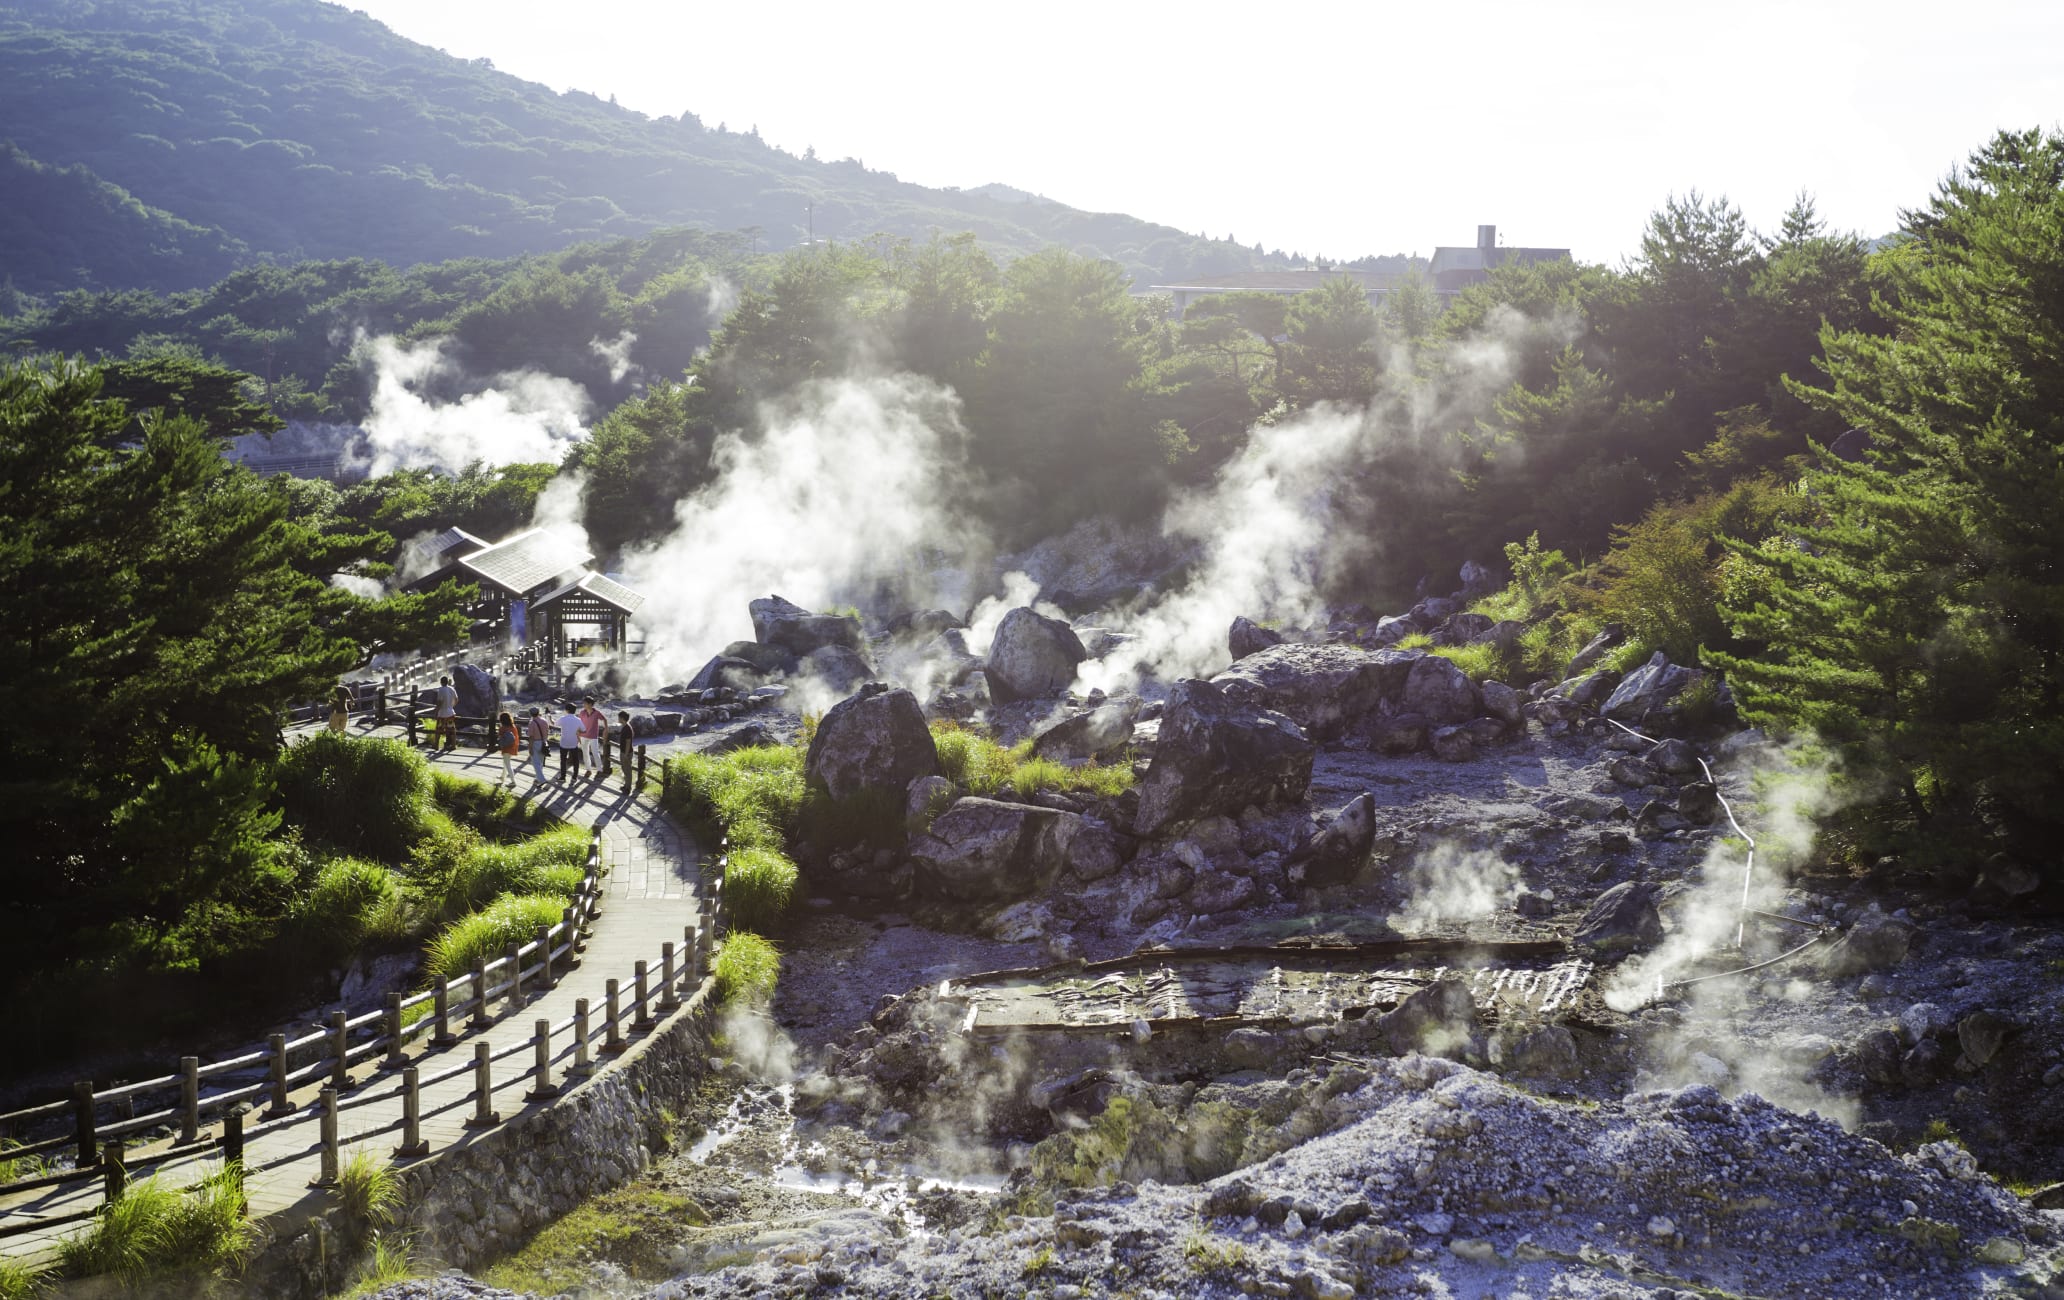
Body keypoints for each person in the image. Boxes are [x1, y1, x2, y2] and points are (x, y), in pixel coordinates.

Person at [556, 703, 584, 782]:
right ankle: (574, 777)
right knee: (576, 760)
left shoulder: (563, 718)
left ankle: (563, 777)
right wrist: (577, 731)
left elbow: (554, 724)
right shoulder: (578, 720)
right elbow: (584, 729)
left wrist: (549, 718)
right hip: (573, 743)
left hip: (564, 743)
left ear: (567, 710)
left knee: (563, 760)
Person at [578, 696, 605, 776]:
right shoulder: (582, 712)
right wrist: (578, 733)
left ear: (590, 704)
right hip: (583, 735)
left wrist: (606, 729)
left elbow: (604, 719)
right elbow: (580, 723)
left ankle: (600, 770)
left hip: (593, 736)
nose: (584, 705)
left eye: (585, 703)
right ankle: (588, 770)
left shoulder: (597, 713)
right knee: (585, 753)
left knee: (595, 753)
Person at [432, 675, 459, 752]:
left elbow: (439, 702)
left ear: (441, 682)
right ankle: (453, 745)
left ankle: (436, 745)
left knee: (439, 730)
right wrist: (452, 706)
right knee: (451, 730)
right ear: (447, 682)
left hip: (442, 713)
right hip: (450, 712)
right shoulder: (452, 689)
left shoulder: (441, 690)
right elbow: (457, 699)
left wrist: (436, 712)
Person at [495, 711, 520, 787]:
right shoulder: (513, 727)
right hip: (513, 746)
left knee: (507, 764)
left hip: (506, 748)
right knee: (505, 762)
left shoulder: (502, 728)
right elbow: (516, 737)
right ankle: (502, 777)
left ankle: (513, 782)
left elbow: (500, 738)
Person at [526, 706, 549, 784]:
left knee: (535, 763)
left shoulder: (532, 723)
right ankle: (537, 779)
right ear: (538, 712)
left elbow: (531, 737)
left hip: (535, 743)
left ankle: (542, 780)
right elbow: (547, 732)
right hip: (543, 742)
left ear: (531, 714)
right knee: (540, 762)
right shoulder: (544, 721)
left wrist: (530, 748)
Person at [616, 710, 634, 782]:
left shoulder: (627, 728)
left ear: (622, 718)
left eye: (619, 718)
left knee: (627, 770)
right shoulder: (626, 726)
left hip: (627, 752)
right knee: (624, 768)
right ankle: (626, 785)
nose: (618, 719)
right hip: (623, 751)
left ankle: (628, 787)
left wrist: (626, 754)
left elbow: (628, 742)